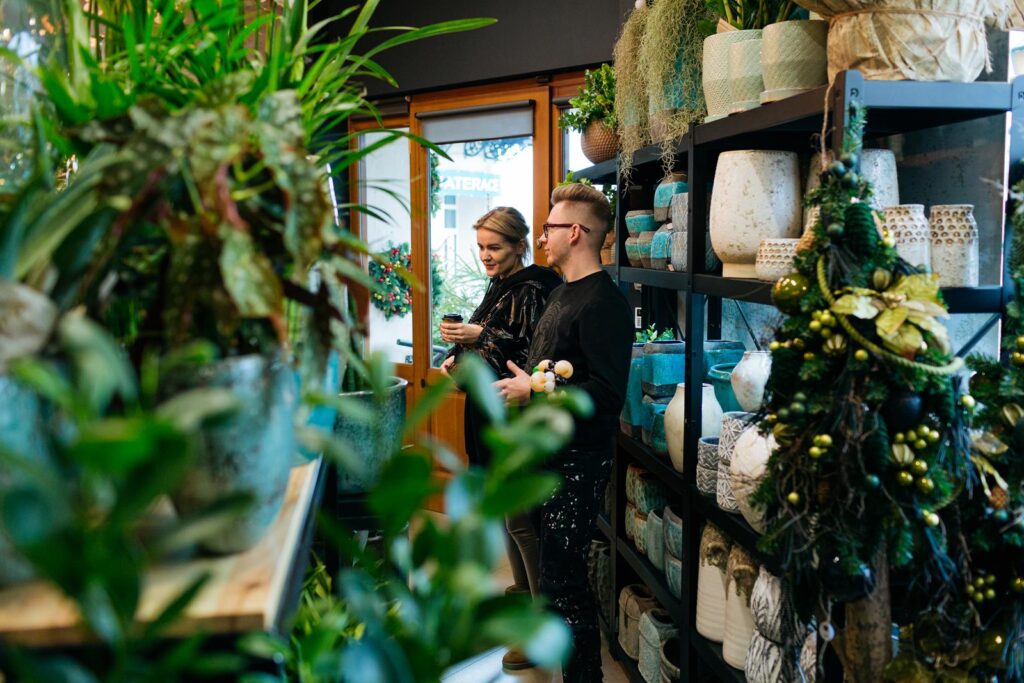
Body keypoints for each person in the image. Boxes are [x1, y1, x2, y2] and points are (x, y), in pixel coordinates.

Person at [496, 183, 633, 682]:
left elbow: (606, 395)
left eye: (549, 227)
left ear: (574, 232)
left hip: (575, 468)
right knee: (554, 584)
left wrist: (533, 390)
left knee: (565, 586)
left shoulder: (605, 304)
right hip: (544, 458)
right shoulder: (561, 293)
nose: (542, 237)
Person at [438, 206, 563, 668]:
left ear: (519, 245)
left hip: (515, 416)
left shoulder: (533, 288)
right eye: (481, 248)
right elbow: (493, 347)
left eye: (494, 247)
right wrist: (457, 356)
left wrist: (478, 336)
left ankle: (538, 625)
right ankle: (522, 593)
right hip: (491, 414)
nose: (486, 256)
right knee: (507, 514)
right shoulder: (501, 286)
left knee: (522, 520)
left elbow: (528, 355)